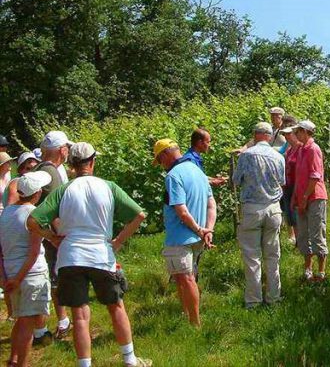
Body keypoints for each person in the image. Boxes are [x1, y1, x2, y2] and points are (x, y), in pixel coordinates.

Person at [27, 142, 151, 367]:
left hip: (70, 256)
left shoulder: (63, 191)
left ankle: (85, 364)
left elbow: (32, 221)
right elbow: (139, 215)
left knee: (80, 316)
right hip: (100, 254)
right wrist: (118, 242)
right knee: (116, 306)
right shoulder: (109, 187)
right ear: (92, 162)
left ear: (72, 164)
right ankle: (130, 359)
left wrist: (52, 238)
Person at [153, 138, 217, 327]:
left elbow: (181, 210)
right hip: (197, 236)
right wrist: (208, 229)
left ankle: (194, 324)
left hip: (180, 236)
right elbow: (211, 204)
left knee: (186, 279)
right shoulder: (197, 171)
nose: (161, 165)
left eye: (160, 160)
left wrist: (199, 229)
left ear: (165, 154)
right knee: (184, 278)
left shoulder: (173, 176)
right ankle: (186, 313)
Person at [0, 172, 53, 367]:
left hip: (11, 272)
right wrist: (18, 278)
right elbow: (32, 253)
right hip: (31, 276)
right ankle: (22, 363)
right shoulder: (35, 215)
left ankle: (13, 360)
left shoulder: (5, 213)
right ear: (37, 193)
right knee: (27, 324)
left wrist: (5, 277)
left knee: (21, 319)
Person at [232, 122, 285, 308]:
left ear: (255, 135)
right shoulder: (278, 157)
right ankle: (274, 297)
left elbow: (236, 180)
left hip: (252, 208)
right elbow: (282, 181)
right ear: (270, 136)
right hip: (273, 208)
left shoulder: (246, 155)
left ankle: (254, 300)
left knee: (252, 256)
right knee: (272, 255)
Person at [35, 130, 73, 340]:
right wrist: (62, 237)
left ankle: (63, 319)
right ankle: (63, 320)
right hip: (54, 236)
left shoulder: (47, 169)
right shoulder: (51, 173)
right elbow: (54, 210)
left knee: (56, 277)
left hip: (48, 234)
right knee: (58, 277)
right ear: (61, 150)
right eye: (67, 147)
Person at [292, 120, 329, 282]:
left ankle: (321, 272)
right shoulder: (301, 149)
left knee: (317, 233)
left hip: (315, 197)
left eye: (298, 131)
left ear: (306, 132)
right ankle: (308, 268)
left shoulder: (314, 149)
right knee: (303, 234)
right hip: (303, 197)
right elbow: (299, 176)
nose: (296, 134)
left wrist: (305, 197)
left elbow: (315, 176)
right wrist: (296, 196)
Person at [278, 117, 300, 243]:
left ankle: (299, 240)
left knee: (296, 212)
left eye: (287, 134)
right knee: (289, 212)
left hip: (296, 184)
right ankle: (296, 240)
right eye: (284, 134)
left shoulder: (300, 148)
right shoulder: (290, 148)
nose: (286, 137)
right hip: (287, 183)